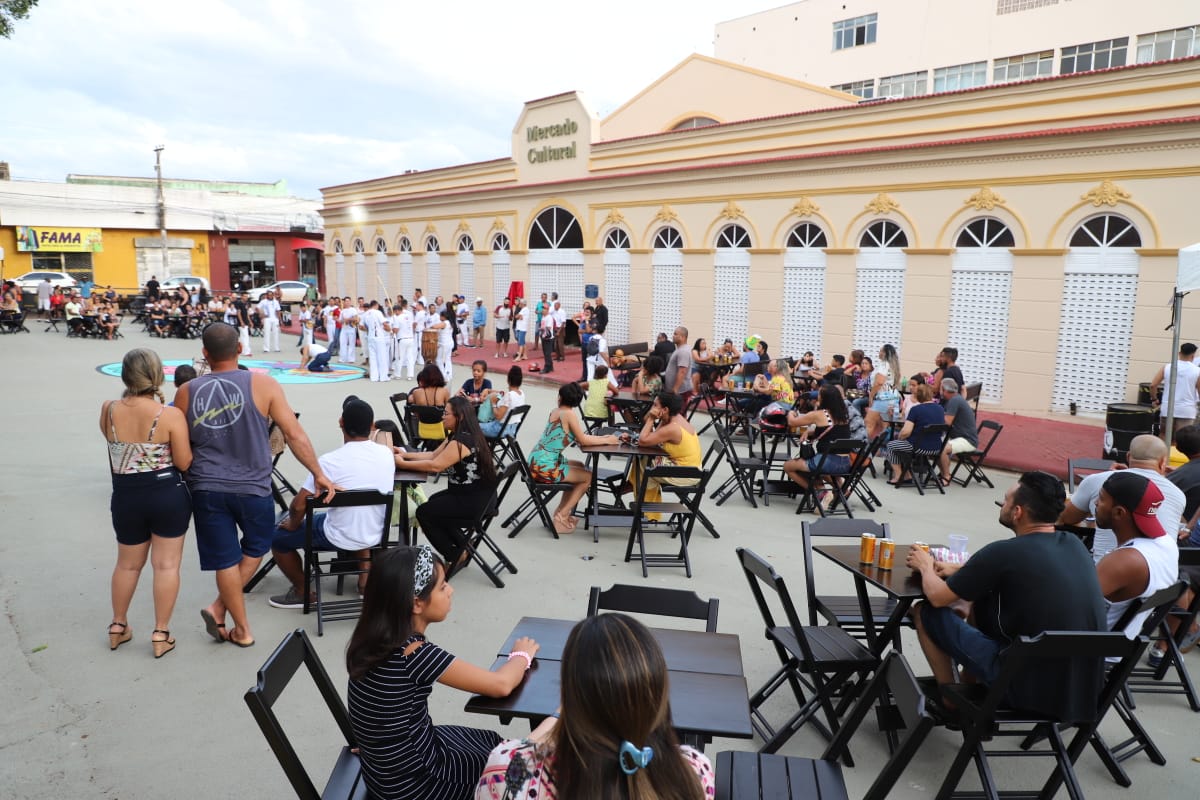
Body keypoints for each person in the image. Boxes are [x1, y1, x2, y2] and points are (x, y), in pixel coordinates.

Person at [175, 323, 333, 649]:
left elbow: (179, 447)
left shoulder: (186, 391)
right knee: (255, 549)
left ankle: (238, 624)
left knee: (224, 559)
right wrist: (317, 472)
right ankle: (221, 611)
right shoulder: (263, 384)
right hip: (253, 487)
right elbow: (294, 434)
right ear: (239, 350)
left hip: (207, 487)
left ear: (205, 354)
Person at [907, 471, 1106, 723]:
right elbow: (1020, 570)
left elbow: (937, 597)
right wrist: (960, 570)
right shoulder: (1074, 544)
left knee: (925, 611)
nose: (1002, 504)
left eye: (1006, 499)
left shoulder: (1003, 552)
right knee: (985, 597)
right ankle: (970, 680)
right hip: (1079, 692)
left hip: (1023, 687)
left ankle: (950, 697)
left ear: (1018, 512)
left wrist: (925, 565)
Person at [347, 545, 540, 800]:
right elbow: (501, 685)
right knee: (507, 768)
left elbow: (373, 706)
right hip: (418, 784)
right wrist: (521, 655)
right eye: (442, 587)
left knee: (489, 742)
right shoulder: (414, 654)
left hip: (384, 770)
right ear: (417, 603)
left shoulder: (370, 640)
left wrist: (377, 745)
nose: (451, 591)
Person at [475, 613, 714, 800]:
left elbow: (524, 752)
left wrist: (561, 711)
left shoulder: (508, 772)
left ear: (567, 693)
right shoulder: (693, 773)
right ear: (659, 695)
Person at [101, 349, 193, 658]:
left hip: (125, 494)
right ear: (156, 375)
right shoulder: (168, 415)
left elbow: (114, 446)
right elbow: (183, 461)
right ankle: (160, 633)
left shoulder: (109, 409)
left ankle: (118, 625)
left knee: (127, 564)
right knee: (166, 565)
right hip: (165, 493)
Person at [267, 397, 395, 609]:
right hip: (377, 532)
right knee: (358, 513)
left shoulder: (330, 462)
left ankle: (303, 592)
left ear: (341, 422)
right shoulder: (386, 454)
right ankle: (365, 583)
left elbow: (298, 506)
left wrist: (292, 524)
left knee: (277, 538)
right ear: (372, 426)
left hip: (339, 535)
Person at [397, 397, 498, 571]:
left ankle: (453, 555)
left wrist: (401, 464)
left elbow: (435, 465)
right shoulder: (462, 434)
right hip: (478, 496)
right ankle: (462, 547)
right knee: (434, 502)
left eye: (446, 413)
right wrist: (404, 454)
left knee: (424, 513)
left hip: (474, 501)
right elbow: (433, 455)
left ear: (459, 416)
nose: (442, 417)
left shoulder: (462, 441)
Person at [1059, 434, 1185, 563]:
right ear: (1163, 462)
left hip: (1110, 568)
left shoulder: (1099, 481)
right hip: (1161, 574)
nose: (1097, 502)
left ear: (1128, 456)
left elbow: (1067, 518)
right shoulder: (1178, 494)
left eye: (1101, 499)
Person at [1094, 472, 1179, 642]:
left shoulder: (1123, 562)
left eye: (1101, 499)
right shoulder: (1167, 544)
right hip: (1124, 643)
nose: (1096, 503)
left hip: (1093, 653)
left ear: (1119, 512)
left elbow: (1068, 606)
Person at [527, 383, 622, 535]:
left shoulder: (556, 411)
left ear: (560, 398)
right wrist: (608, 441)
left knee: (578, 465)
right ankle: (562, 515)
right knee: (587, 477)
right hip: (544, 468)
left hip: (535, 461)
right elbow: (583, 441)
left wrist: (605, 438)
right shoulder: (569, 414)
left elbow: (581, 438)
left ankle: (561, 512)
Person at [625, 392, 702, 518]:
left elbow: (643, 441)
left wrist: (650, 419)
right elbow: (653, 438)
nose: (652, 408)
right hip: (690, 470)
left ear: (665, 409)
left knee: (644, 461)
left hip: (685, 474)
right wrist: (636, 436)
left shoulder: (672, 428)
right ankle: (637, 491)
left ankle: (646, 510)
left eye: (655, 405)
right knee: (645, 461)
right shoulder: (674, 419)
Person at [783, 385, 852, 506]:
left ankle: (820, 492)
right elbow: (832, 432)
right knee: (817, 466)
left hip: (826, 462)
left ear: (824, 398)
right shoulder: (843, 415)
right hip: (845, 463)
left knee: (788, 466)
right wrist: (809, 432)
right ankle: (842, 489)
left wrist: (790, 412)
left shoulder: (819, 414)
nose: (817, 396)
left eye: (819, 394)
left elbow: (792, 422)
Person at [884, 383, 945, 485]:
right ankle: (907, 475)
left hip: (918, 447)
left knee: (891, 445)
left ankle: (899, 476)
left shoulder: (916, 410)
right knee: (901, 447)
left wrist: (900, 437)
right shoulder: (940, 409)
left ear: (918, 395)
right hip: (937, 447)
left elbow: (906, 432)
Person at [1149, 342, 1200, 441]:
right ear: (1193, 355)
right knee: (1182, 439)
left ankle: (1164, 456)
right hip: (1186, 411)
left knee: (1164, 436)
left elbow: (1153, 385)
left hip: (1167, 409)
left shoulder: (1168, 367)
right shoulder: (1197, 371)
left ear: (1179, 353)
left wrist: (1154, 399)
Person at [938, 378, 979, 482]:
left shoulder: (954, 401)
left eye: (940, 388)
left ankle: (946, 476)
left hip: (967, 440)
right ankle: (943, 472)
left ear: (945, 390)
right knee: (934, 444)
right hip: (959, 437)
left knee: (942, 449)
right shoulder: (956, 398)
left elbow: (947, 422)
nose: (939, 390)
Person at [864, 344, 903, 439]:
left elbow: (879, 382)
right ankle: (876, 450)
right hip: (892, 398)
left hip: (883, 398)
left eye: (881, 351)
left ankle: (861, 449)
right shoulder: (894, 366)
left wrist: (871, 396)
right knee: (882, 427)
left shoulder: (884, 364)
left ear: (885, 353)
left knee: (869, 423)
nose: (879, 352)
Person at [480, 366, 525, 439]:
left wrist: (493, 403)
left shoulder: (509, 396)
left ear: (508, 380)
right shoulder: (521, 394)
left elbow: (498, 416)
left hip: (500, 429)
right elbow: (504, 394)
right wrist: (489, 390)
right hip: (512, 429)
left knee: (473, 427)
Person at [359, 300, 390, 382]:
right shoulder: (378, 312)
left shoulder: (365, 314)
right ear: (376, 305)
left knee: (373, 358)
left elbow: (361, 326)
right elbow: (384, 324)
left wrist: (368, 329)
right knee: (382, 357)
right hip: (378, 337)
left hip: (370, 337)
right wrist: (390, 330)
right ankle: (383, 377)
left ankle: (374, 377)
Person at [390, 299, 417, 380]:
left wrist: (392, 330)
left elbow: (396, 330)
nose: (395, 313)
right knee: (410, 357)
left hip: (402, 339)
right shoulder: (409, 316)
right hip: (411, 338)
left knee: (400, 357)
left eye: (395, 312)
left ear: (397, 310)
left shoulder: (398, 318)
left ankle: (397, 375)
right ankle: (410, 375)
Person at [664, 326, 692, 396]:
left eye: (675, 334)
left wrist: (675, 389)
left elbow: (682, 371)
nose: (673, 336)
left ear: (683, 337)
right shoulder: (681, 349)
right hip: (676, 390)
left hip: (679, 391)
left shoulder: (683, 351)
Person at [537, 304, 557, 373]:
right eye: (542, 308)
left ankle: (546, 368)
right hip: (543, 337)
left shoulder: (549, 317)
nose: (543, 310)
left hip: (548, 338)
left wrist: (541, 328)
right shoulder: (543, 317)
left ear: (548, 310)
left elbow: (548, 327)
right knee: (545, 353)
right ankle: (551, 367)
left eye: (544, 309)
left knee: (547, 353)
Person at [339, 297, 359, 363]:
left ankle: (351, 359)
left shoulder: (353, 310)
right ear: (344, 302)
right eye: (346, 301)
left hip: (351, 328)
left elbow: (356, 318)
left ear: (350, 302)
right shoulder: (342, 311)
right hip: (344, 329)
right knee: (342, 343)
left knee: (351, 344)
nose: (347, 302)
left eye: (348, 301)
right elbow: (340, 320)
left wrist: (348, 319)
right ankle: (342, 358)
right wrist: (342, 320)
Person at [512, 298, 529, 362]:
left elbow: (516, 316)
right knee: (523, 342)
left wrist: (518, 316)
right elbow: (517, 317)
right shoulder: (523, 309)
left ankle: (519, 356)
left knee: (521, 343)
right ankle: (525, 355)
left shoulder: (524, 309)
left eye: (520, 303)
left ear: (522, 304)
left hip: (522, 328)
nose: (519, 304)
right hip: (520, 328)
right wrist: (519, 317)